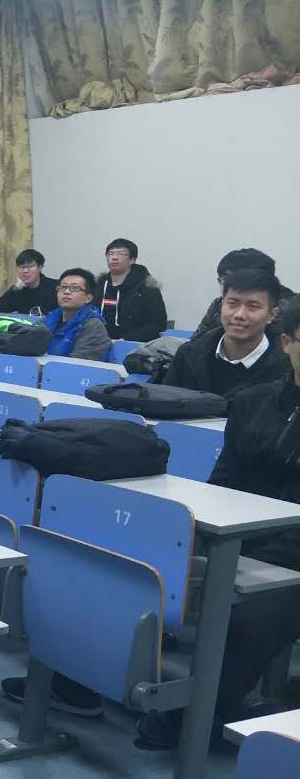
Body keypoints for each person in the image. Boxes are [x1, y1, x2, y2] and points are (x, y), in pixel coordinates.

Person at [134, 295, 300, 750]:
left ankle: (196, 718)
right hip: (242, 535)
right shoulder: (253, 402)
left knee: (260, 610)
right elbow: (224, 483)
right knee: (136, 561)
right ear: (287, 343)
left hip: (291, 554)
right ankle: (82, 679)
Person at [159, 269, 289, 398]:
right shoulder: (189, 354)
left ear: (272, 315)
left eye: (252, 306)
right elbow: (164, 404)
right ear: (221, 306)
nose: (239, 315)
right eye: (232, 304)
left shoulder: (287, 369)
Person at [195, 248, 294, 337]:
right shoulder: (219, 303)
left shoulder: (292, 309)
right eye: (221, 279)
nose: (224, 285)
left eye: (253, 306)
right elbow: (196, 342)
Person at [95, 237, 167, 341]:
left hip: (132, 343)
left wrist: (125, 340)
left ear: (132, 260)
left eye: (121, 254)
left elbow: (158, 324)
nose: (114, 257)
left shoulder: (147, 287)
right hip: (98, 341)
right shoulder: (100, 285)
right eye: (110, 254)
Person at [42, 268, 111, 360]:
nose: (66, 292)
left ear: (88, 298)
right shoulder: (49, 319)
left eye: (75, 288)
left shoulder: (93, 326)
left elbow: (79, 364)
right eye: (63, 287)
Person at [0, 248, 58, 315]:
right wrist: (15, 289)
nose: (25, 271)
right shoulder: (18, 291)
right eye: (21, 267)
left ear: (40, 267)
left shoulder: (55, 287)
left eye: (30, 266)